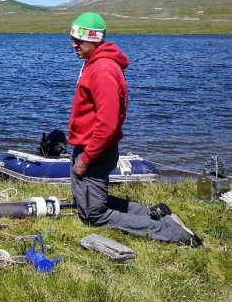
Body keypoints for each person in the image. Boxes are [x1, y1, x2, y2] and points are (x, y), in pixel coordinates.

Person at [68, 12, 202, 246]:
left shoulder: (102, 70)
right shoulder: (97, 65)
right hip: (92, 146)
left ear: (94, 39)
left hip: (95, 150)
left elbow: (107, 123)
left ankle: (173, 233)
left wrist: (86, 157)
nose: (73, 45)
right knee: (88, 205)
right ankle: (152, 212)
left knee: (93, 215)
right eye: (72, 39)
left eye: (78, 40)